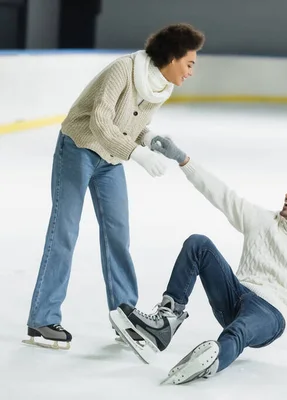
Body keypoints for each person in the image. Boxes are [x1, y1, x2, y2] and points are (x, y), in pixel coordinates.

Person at [111, 135, 287, 384]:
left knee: (238, 331)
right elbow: (221, 194)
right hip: (234, 295)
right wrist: (182, 158)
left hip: (271, 314)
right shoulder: (262, 220)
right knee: (199, 244)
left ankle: (212, 360)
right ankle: (165, 323)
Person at [23, 23, 206, 350]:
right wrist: (136, 152)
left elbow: (134, 122)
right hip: (78, 147)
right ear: (173, 56)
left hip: (110, 158)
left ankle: (125, 314)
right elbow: (100, 121)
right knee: (64, 231)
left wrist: (148, 138)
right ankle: (42, 319)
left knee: (118, 233)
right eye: (190, 63)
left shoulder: (161, 86)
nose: (192, 71)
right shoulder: (124, 70)